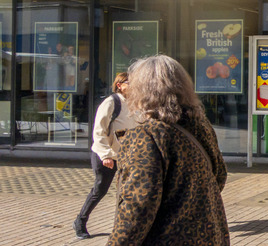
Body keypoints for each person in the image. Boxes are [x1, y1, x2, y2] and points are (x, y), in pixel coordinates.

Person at [107, 55, 229, 245]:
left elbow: (137, 208)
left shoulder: (146, 136)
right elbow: (219, 175)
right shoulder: (201, 126)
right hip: (209, 234)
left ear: (143, 91)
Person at [73, 72, 139, 240]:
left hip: (126, 155)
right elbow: (99, 131)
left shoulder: (135, 103)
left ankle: (124, 225)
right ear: (120, 85)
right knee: (100, 189)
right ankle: (80, 221)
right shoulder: (111, 103)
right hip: (106, 155)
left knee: (129, 191)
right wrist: (106, 155)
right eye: (131, 83)